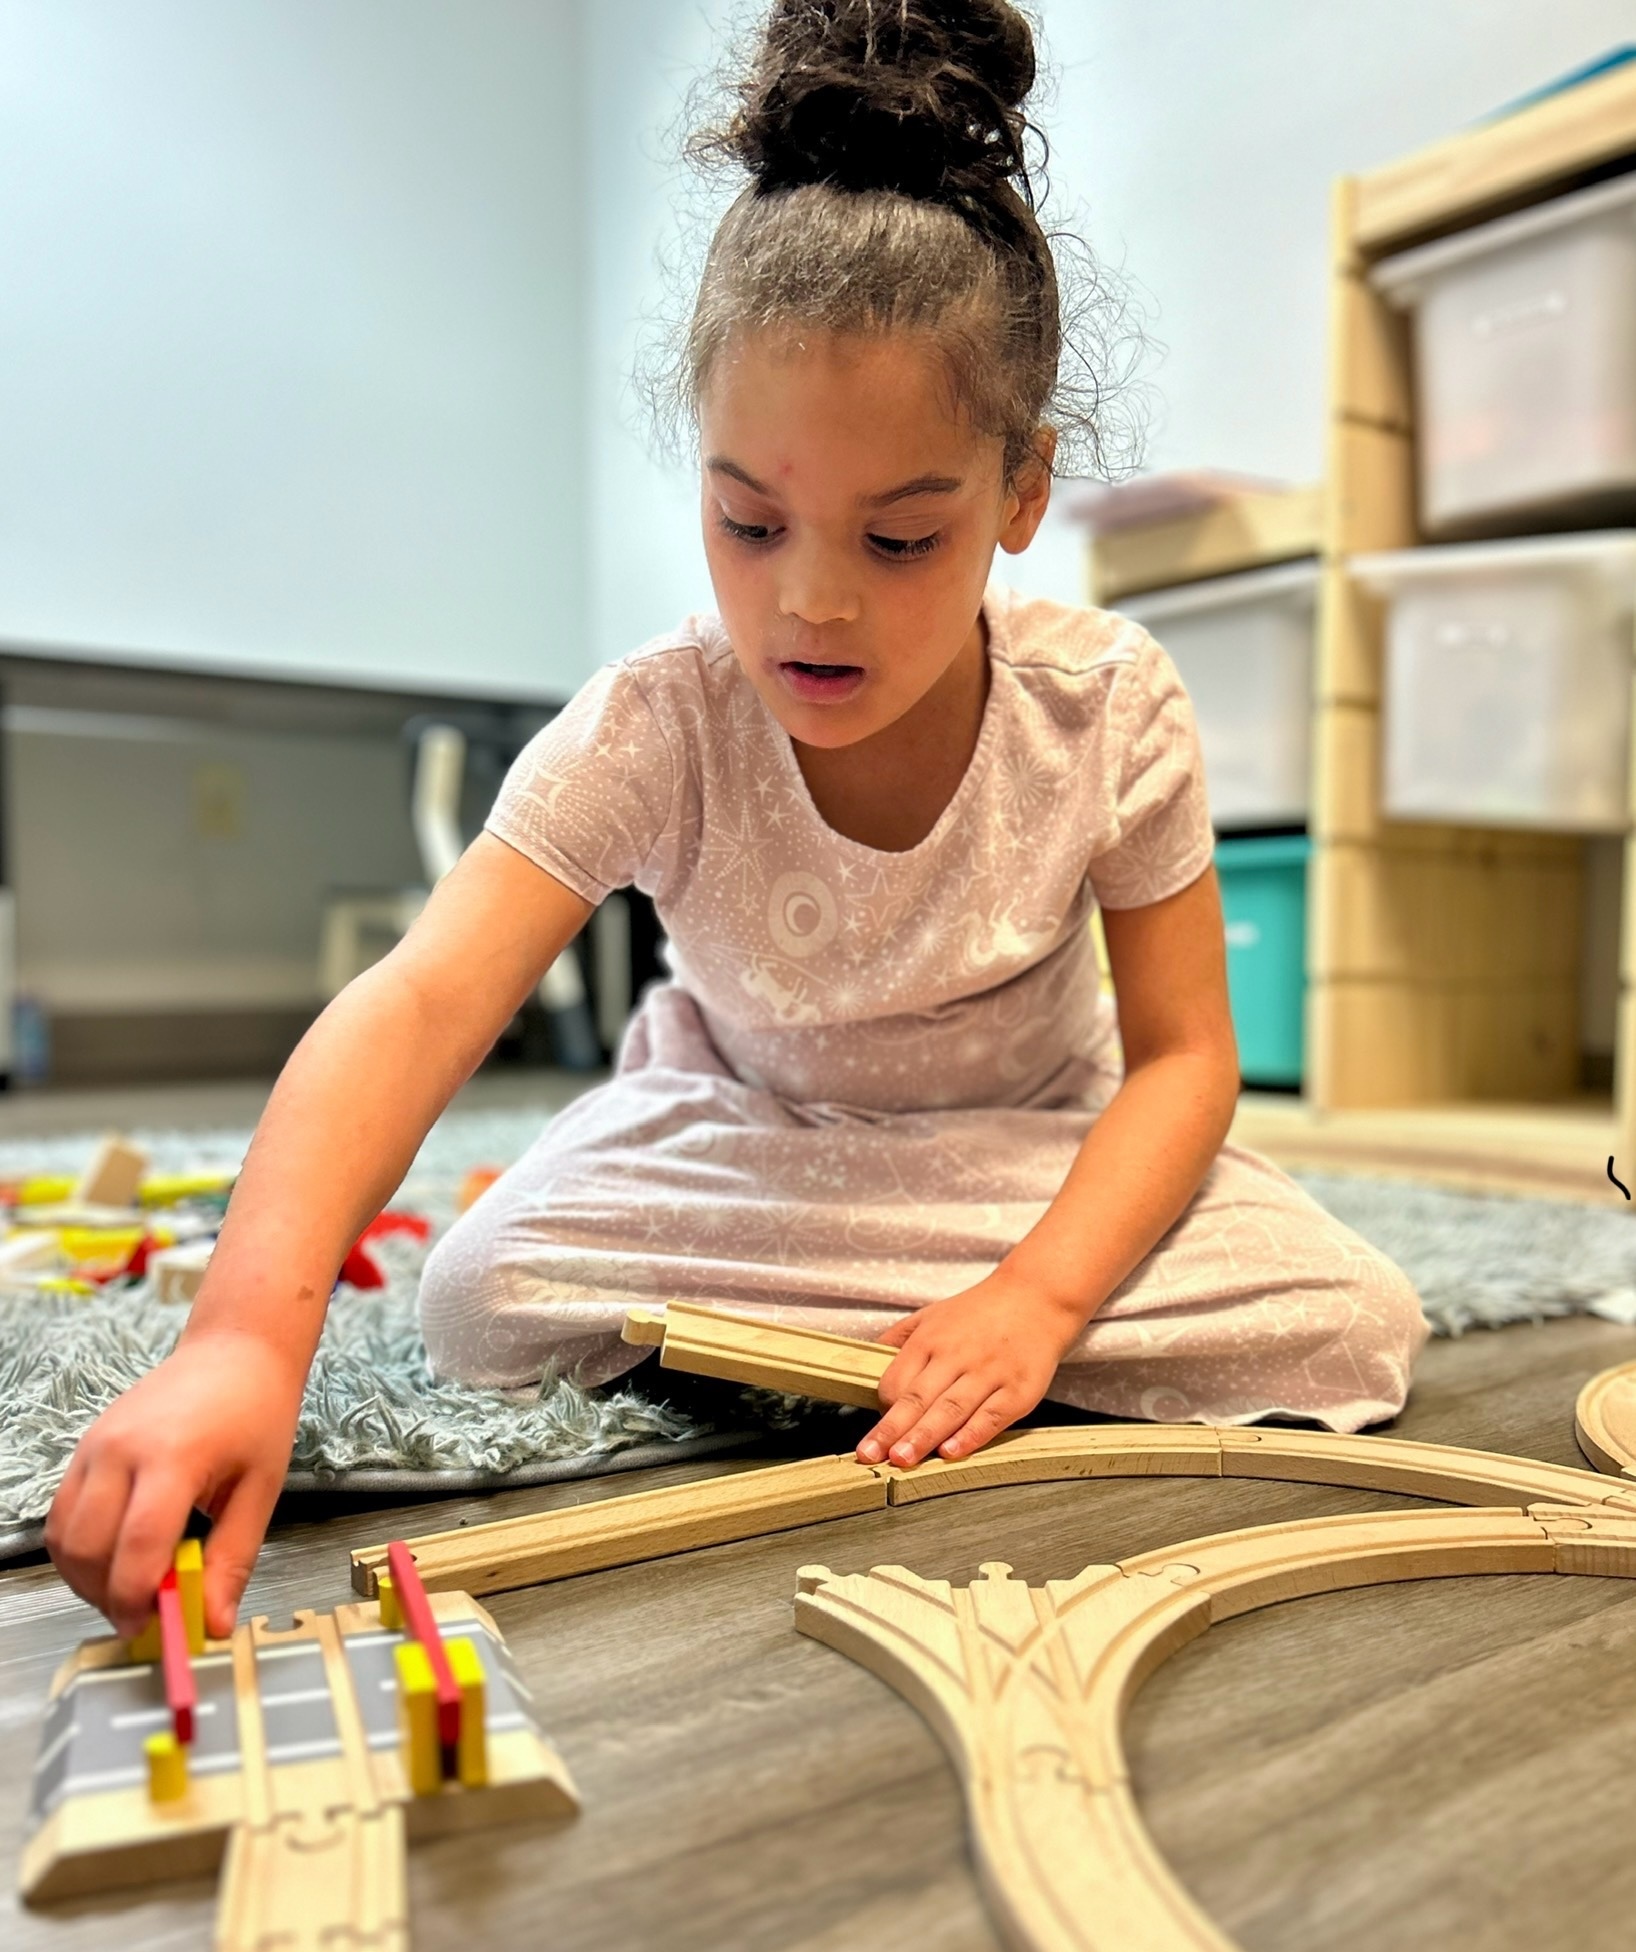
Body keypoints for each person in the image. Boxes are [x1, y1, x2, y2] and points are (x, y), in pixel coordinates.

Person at [47, 0, 1427, 1641]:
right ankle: (894, 1324)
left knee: (1356, 1316)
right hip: (740, 1139)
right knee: (481, 1291)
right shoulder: (658, 721)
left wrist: (1041, 1296)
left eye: (901, 540)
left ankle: (884, 1328)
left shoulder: (1107, 705)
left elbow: (1189, 1060)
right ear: (698, 473)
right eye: (747, 520)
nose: (812, 603)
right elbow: (422, 1000)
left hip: (1024, 1152)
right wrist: (241, 1340)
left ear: (1022, 492)